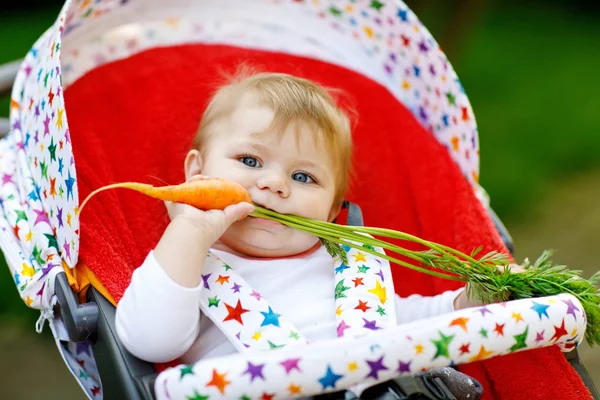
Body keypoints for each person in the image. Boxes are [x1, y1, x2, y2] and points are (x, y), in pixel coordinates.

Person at [115, 71, 495, 367]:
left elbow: (401, 320)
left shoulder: (345, 263)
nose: (275, 184)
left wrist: (463, 305)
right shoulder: (184, 265)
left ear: (331, 213)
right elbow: (151, 341)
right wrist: (189, 231)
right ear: (197, 175)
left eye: (303, 178)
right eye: (250, 161)